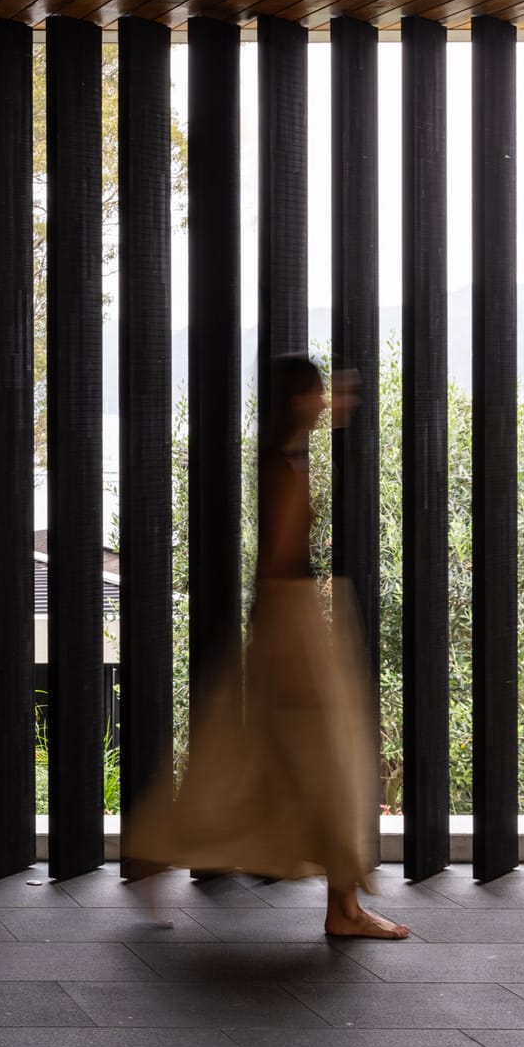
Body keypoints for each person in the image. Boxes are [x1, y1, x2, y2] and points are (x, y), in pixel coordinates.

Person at [124, 355, 407, 940]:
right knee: (320, 767)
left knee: (253, 767)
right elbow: (277, 564)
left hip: (290, 622)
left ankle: (156, 858)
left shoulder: (288, 459)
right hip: (291, 624)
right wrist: (292, 653)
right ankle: (343, 911)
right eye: (318, 392)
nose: (327, 400)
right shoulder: (284, 468)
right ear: (298, 401)